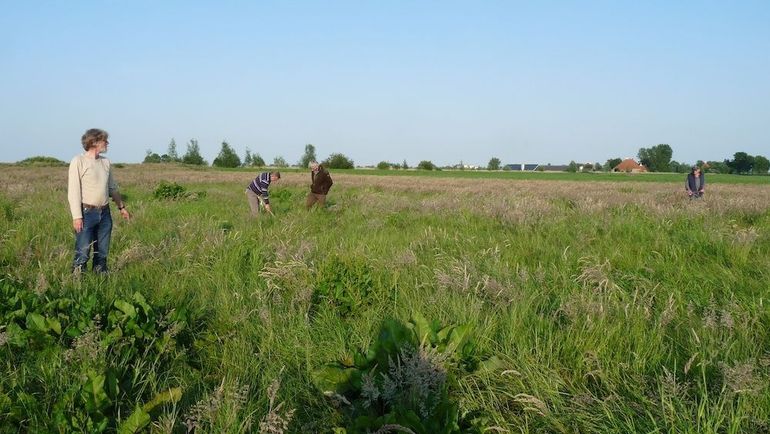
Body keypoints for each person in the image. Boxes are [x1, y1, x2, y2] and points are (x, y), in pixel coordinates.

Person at [68, 128, 130, 273]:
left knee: (102, 253)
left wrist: (121, 207)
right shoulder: (79, 161)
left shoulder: (105, 162)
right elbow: (73, 191)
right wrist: (77, 217)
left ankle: (100, 280)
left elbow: (112, 188)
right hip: (86, 214)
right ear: (94, 142)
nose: (107, 143)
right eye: (104, 140)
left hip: (105, 213)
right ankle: (77, 282)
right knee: (83, 253)